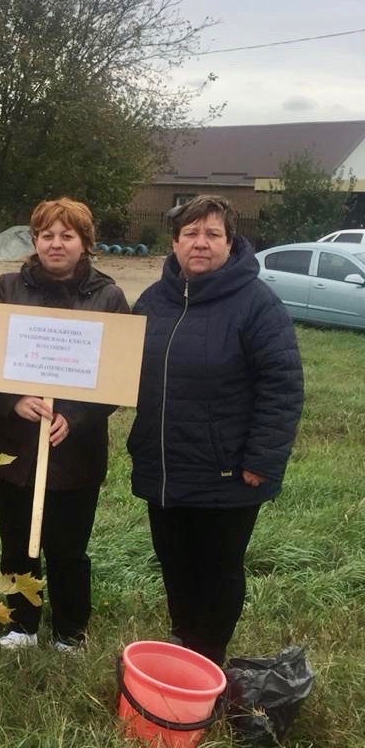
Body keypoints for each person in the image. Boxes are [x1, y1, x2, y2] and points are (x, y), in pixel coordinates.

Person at [128, 195, 303, 666]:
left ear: (231, 242)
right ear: (175, 242)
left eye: (212, 234)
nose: (200, 243)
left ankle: (209, 656)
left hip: (227, 471)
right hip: (164, 465)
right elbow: (118, 368)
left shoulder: (257, 305)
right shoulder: (152, 300)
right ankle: (183, 638)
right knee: (174, 561)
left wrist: (261, 461)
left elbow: (282, 385)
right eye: (191, 234)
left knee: (218, 566)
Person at [0, 198, 130, 651]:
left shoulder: (108, 296)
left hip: (75, 451)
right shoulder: (8, 287)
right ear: (35, 240)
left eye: (67, 235)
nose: (56, 243)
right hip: (16, 447)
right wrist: (12, 401)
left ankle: (69, 629)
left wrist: (78, 416)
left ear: (85, 243)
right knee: (17, 541)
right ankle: (20, 623)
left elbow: (118, 375)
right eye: (47, 235)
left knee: (68, 549)